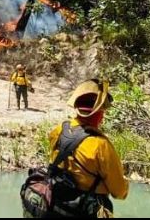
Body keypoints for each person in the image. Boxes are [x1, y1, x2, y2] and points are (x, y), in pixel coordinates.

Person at [46, 79, 128, 217]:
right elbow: (119, 192)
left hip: (57, 206)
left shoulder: (60, 129)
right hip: (87, 209)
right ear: (100, 114)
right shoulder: (100, 145)